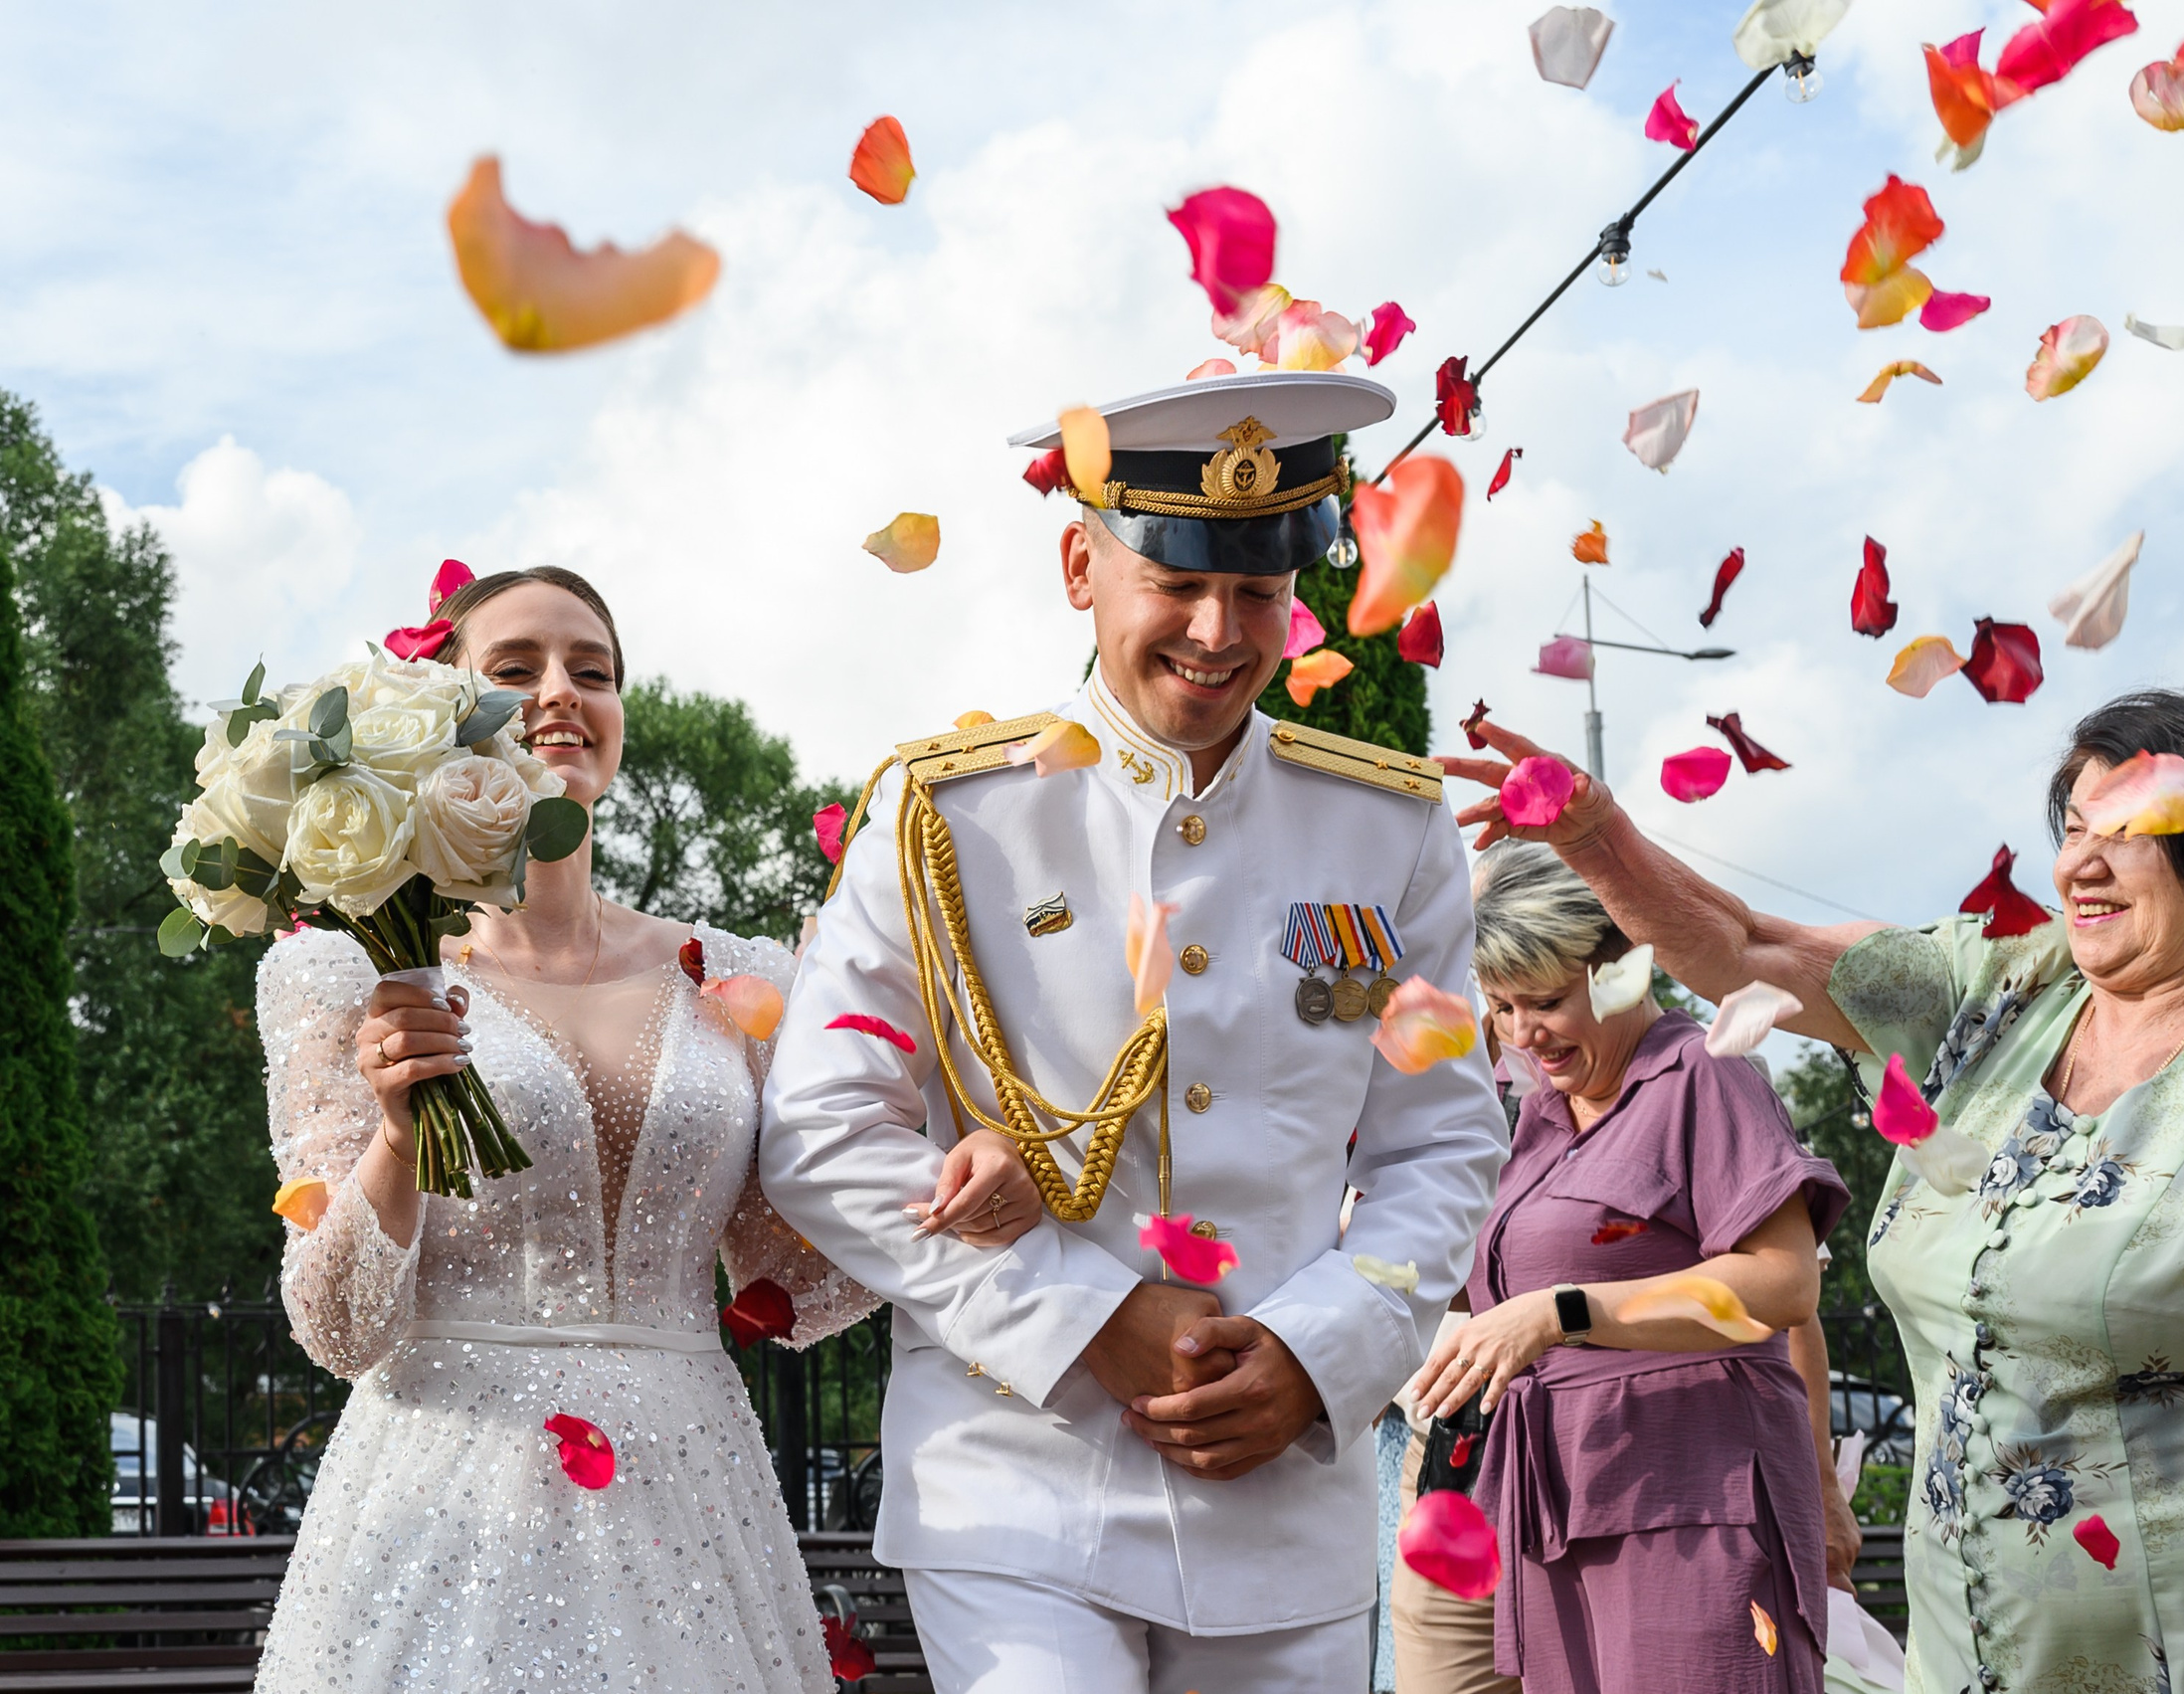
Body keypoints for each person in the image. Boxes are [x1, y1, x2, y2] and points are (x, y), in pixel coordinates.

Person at [1444, 682, 2184, 1694]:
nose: (2081, 864)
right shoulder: (1995, 991)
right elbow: (1742, 944)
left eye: (2131, 833)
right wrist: (1596, 838)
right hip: (1995, 1648)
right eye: (2072, 827)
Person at [757, 371, 1511, 1694]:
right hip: (1016, 1473)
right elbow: (821, 1128)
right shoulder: (950, 818)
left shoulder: (1386, 831)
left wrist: (1316, 1351)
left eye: (1260, 590)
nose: (1219, 629)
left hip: (1284, 1491)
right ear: (1079, 565)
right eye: (1176, 579)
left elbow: (1439, 1145)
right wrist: (1089, 1313)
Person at [254, 566, 1035, 1693]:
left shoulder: (742, 977)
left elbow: (805, 1255)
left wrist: (971, 1157)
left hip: (690, 1496)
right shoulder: (352, 971)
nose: (562, 691)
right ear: (437, 714)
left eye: (594, 670)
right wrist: (393, 1129)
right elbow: (337, 1324)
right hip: (442, 1501)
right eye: (515, 668)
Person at [1408, 841, 1847, 1693]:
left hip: (1693, 1511)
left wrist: (1563, 1312)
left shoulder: (1703, 1075)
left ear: (1621, 972)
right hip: (1559, 1511)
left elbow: (1785, 1284)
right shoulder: (1536, 1116)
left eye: (1544, 1001)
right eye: (1500, 1006)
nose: (1521, 1032)